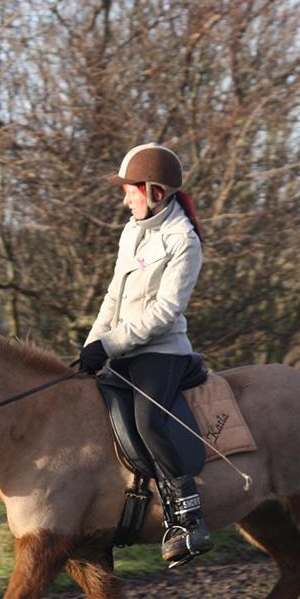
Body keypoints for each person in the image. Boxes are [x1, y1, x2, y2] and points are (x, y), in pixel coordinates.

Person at [78, 142, 212, 567]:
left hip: (162, 351)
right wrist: (91, 346)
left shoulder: (184, 241)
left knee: (148, 419)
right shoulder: (132, 231)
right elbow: (113, 296)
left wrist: (111, 345)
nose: (124, 197)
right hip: (121, 347)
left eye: (129, 189)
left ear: (154, 191)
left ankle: (187, 520)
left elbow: (164, 313)